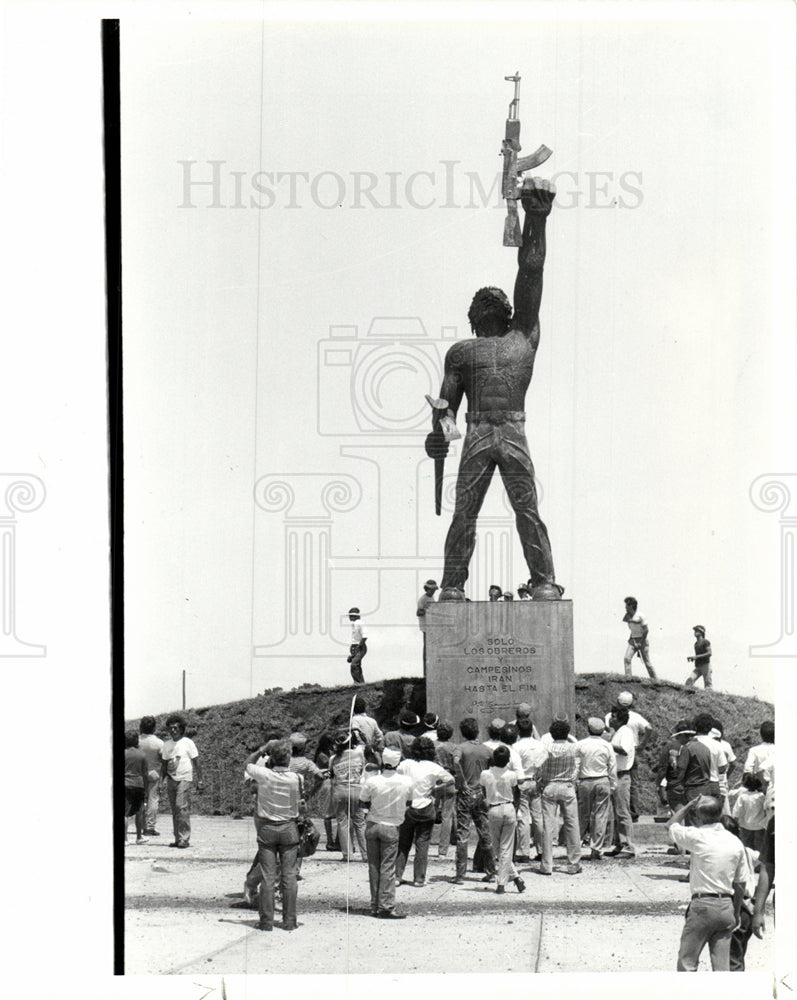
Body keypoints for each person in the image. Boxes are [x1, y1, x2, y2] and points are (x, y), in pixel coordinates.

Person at [426, 177, 563, 603]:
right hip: (478, 430)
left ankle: (543, 581)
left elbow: (531, 271)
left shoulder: (522, 336)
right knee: (465, 511)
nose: (488, 303)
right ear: (473, 316)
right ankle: (451, 585)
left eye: (495, 301)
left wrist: (536, 218)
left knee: (526, 507)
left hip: (511, 428)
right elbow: (446, 407)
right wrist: (439, 431)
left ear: (508, 312)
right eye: (482, 302)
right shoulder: (461, 353)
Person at [667, 796, 746, 971]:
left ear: (699, 816)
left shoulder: (697, 836)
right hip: (726, 905)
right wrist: (737, 911)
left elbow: (671, 825)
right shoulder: (735, 842)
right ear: (720, 814)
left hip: (702, 903)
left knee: (687, 962)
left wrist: (687, 805)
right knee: (721, 966)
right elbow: (740, 883)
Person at [244, 739, 303, 932]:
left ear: (271, 758)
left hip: (268, 827)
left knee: (268, 877)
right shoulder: (297, 778)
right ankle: (289, 920)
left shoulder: (264, 775)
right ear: (289, 758)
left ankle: (266, 921)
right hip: (288, 827)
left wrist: (262, 747)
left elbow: (248, 764)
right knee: (289, 876)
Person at [359, 747, 413, 919]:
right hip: (392, 825)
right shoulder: (406, 782)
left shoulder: (373, 781)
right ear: (398, 763)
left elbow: (362, 803)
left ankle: (375, 904)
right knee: (388, 867)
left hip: (373, 824)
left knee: (373, 866)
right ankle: (386, 905)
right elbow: (409, 803)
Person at [396, 737, 454, 887]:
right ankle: (419, 879)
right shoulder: (433, 767)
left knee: (403, 843)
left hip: (408, 806)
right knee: (422, 844)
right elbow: (450, 779)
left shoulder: (406, 764)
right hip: (426, 805)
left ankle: (397, 875)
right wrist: (435, 788)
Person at [451, 716, 496, 884]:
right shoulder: (486, 750)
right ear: (477, 731)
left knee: (463, 833)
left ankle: (460, 874)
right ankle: (491, 871)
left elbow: (456, 763)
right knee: (485, 833)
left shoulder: (460, 748)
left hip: (465, 794)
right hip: (481, 794)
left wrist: (461, 781)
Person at [537, 719, 582, 875]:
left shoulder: (546, 748)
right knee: (572, 824)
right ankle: (573, 863)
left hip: (550, 786)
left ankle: (547, 864)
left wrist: (541, 781)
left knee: (548, 826)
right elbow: (577, 767)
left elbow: (539, 766)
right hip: (568, 786)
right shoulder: (573, 748)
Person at [480, 746, 525, 894]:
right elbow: (517, 792)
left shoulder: (485, 774)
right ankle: (515, 877)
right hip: (509, 807)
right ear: (507, 761)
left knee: (499, 848)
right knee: (505, 848)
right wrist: (515, 807)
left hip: (493, 809)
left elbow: (483, 791)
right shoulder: (511, 775)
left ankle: (502, 883)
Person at [576, 718, 618, 859]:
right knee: (600, 815)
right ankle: (596, 848)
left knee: (583, 815)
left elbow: (576, 764)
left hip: (585, 781)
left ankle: (577, 845)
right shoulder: (607, 746)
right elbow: (612, 766)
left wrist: (576, 781)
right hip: (602, 779)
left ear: (588, 729)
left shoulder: (581, 744)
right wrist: (613, 784)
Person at [160, 714, 202, 849]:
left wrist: (200, 779)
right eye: (170, 728)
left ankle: (184, 838)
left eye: (176, 728)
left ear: (181, 729)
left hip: (184, 778)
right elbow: (164, 766)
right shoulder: (166, 745)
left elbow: (196, 762)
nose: (173, 731)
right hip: (172, 779)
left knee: (181, 806)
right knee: (175, 810)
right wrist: (161, 782)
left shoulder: (188, 743)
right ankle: (178, 838)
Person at [329, 729, 368, 861]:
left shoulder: (333, 758)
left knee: (342, 822)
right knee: (360, 822)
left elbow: (331, 774)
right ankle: (366, 854)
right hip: (356, 789)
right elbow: (362, 769)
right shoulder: (359, 754)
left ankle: (347, 854)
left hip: (339, 789)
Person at [513, 717, 547, 861]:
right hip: (536, 781)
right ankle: (541, 850)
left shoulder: (516, 747)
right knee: (538, 817)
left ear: (519, 731)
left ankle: (523, 851)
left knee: (523, 818)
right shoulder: (541, 745)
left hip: (522, 782)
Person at [672, 713, 725, 803]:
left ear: (695, 727)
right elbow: (722, 768)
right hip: (714, 784)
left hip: (695, 784)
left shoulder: (690, 744)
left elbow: (682, 769)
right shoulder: (717, 744)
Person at [607, 708, 637, 858]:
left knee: (622, 811)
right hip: (614, 775)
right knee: (616, 811)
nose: (610, 719)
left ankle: (628, 846)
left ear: (619, 719)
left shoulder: (626, 732)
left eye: (613, 717)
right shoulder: (618, 732)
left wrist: (606, 744)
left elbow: (624, 750)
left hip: (622, 775)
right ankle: (620, 843)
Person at [655, 720, 695, 815]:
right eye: (686, 735)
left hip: (679, 785)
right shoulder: (689, 747)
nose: (689, 738)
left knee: (680, 812)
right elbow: (663, 768)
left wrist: (658, 783)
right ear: (679, 735)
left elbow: (663, 768)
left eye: (690, 736)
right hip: (682, 784)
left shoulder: (673, 746)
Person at [433, 721, 458, 858]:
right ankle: (443, 850)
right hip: (449, 779)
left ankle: (423, 842)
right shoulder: (453, 747)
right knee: (447, 816)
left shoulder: (433, 746)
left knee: (431, 811)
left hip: (435, 780)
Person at [138, 715, 164, 836]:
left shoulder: (136, 741)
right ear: (154, 727)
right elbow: (164, 759)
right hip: (154, 773)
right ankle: (149, 826)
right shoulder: (159, 743)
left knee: (139, 800)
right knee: (153, 800)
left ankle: (141, 824)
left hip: (138, 774)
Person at [729, 773, 768, 852]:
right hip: (759, 826)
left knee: (746, 847)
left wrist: (735, 824)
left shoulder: (743, 797)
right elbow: (766, 809)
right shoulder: (761, 796)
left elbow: (736, 812)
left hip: (745, 826)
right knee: (759, 848)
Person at [622, 596, 657, 679]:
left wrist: (640, 642)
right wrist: (632, 640)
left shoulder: (640, 615)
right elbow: (632, 630)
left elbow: (646, 630)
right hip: (633, 640)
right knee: (627, 658)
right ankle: (628, 679)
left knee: (647, 662)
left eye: (626, 605)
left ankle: (655, 681)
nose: (625, 607)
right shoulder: (627, 617)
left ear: (631, 606)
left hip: (642, 640)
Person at [124, 731, 149, 845]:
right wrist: (147, 789)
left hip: (126, 784)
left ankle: (124, 839)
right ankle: (139, 837)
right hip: (139, 784)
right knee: (139, 812)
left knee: (125, 813)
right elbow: (145, 773)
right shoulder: (142, 755)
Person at [416, 579, 438, 674]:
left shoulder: (432, 598)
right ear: (427, 589)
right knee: (427, 650)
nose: (433, 591)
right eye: (431, 589)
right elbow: (418, 612)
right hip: (426, 627)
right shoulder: (423, 599)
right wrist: (428, 611)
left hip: (432, 627)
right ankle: (426, 672)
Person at [347, 607, 367, 684]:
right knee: (356, 665)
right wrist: (352, 653)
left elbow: (365, 636)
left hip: (360, 646)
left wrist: (359, 647)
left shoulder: (360, 623)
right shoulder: (354, 624)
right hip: (354, 646)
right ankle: (361, 683)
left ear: (354, 616)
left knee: (354, 665)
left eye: (351, 615)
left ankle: (357, 682)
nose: (349, 617)